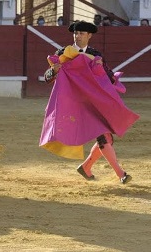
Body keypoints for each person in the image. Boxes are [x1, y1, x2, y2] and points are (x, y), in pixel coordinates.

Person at [43, 20, 134, 184]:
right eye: (75, 33)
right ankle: (121, 174)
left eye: (81, 34)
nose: (77, 36)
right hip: (75, 104)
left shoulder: (95, 54)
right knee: (104, 138)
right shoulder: (63, 53)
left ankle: (86, 168)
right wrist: (53, 71)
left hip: (93, 102)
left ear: (89, 35)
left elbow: (107, 76)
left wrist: (113, 82)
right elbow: (48, 78)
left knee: (107, 138)